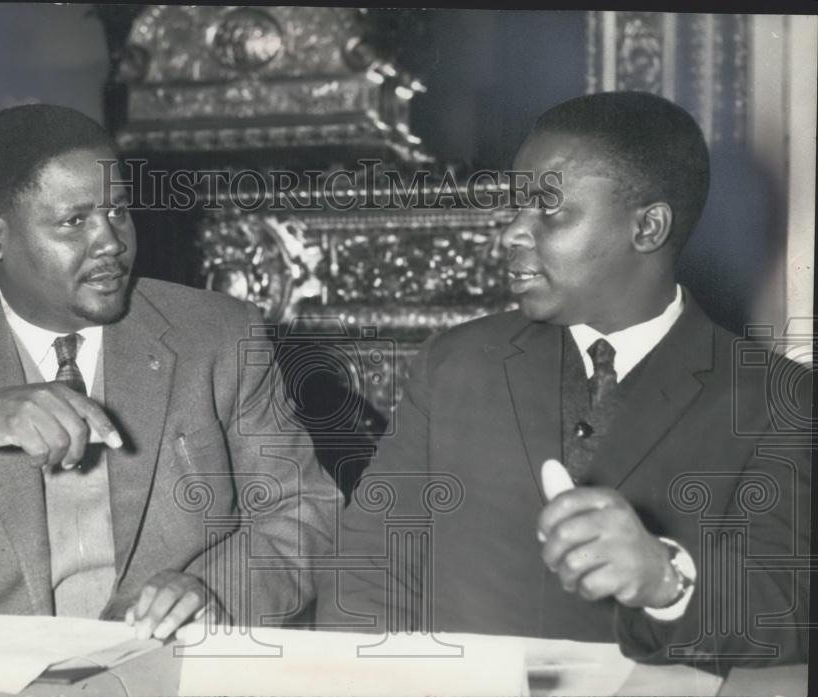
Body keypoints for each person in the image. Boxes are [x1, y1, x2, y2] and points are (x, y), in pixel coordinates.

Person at [318, 92, 810, 670]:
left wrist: (665, 580)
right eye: (516, 208)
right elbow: (369, 568)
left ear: (647, 227)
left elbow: (789, 612)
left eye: (549, 212)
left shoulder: (777, 400)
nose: (511, 235)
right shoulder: (455, 363)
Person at [0, 104, 341, 640]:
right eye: (75, 221)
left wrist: (213, 592)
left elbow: (305, 512)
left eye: (118, 211)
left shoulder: (218, 335)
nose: (111, 242)